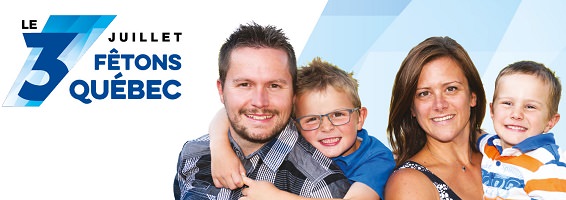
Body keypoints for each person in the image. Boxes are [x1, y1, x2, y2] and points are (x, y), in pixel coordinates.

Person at [173, 23, 350, 200]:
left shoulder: (321, 187)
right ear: (221, 90)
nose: (260, 102)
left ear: (293, 93)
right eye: (244, 85)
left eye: (274, 86)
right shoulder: (193, 154)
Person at [208, 57, 396, 200]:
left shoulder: (376, 159)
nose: (327, 127)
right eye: (312, 119)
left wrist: (275, 197)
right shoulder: (294, 136)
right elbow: (227, 112)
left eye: (338, 115)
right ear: (294, 123)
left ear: (360, 118)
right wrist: (220, 151)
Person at [384, 36, 486, 199]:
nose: (439, 105)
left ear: (473, 96)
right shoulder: (409, 183)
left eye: (451, 89)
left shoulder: (501, 160)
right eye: (424, 94)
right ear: (412, 108)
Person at [478, 60, 566, 199]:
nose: (516, 114)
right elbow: (472, 134)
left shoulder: (549, 164)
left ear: (550, 121)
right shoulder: (490, 145)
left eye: (530, 106)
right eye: (507, 103)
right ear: (492, 110)